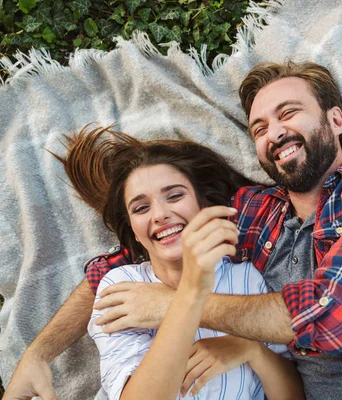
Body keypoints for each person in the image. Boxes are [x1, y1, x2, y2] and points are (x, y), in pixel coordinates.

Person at [5, 61, 342, 400]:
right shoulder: (257, 214)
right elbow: (134, 257)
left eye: (288, 113)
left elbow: (335, 316)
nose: (274, 132)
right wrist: (39, 353)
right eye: (259, 127)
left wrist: (176, 304)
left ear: (335, 120)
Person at [56, 126, 304, 400]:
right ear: (134, 232)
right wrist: (190, 291)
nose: (161, 214)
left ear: (203, 205)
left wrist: (251, 350)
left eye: (175, 196)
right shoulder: (119, 287)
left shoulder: (248, 279)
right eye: (141, 208)